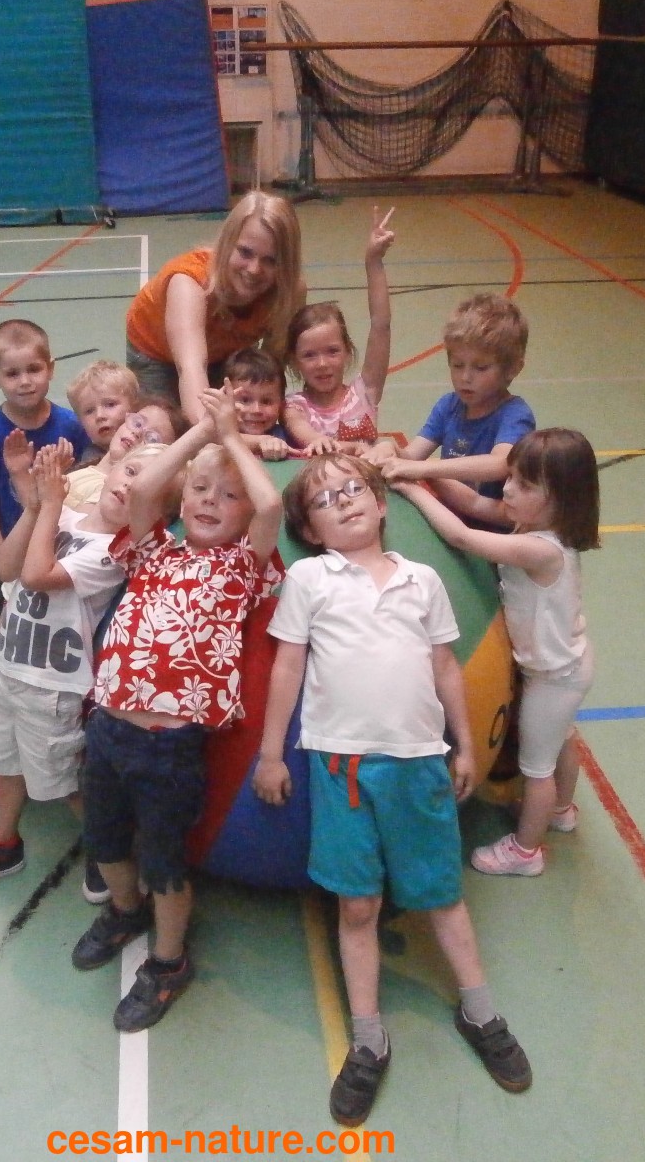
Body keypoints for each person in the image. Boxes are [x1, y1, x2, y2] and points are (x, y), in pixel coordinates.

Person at [254, 454, 532, 1126]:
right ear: (310, 530)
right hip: (341, 767)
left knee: (440, 893)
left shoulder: (422, 579)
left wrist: (466, 744)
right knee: (358, 904)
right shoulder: (310, 578)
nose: (345, 500)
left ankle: (481, 1011)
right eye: (325, 499)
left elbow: (445, 666)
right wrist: (270, 753)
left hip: (418, 763)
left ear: (381, 504)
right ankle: (369, 1039)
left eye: (354, 489)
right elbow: (287, 666)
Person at [70, 384, 284, 1033]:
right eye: (200, 491)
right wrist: (200, 435)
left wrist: (232, 439)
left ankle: (168, 961)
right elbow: (143, 490)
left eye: (227, 496)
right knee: (105, 839)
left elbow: (272, 503)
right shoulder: (154, 550)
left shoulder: (243, 568)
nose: (211, 502)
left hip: (168, 747)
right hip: (108, 729)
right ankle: (124, 910)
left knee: (164, 860)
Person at [0, 439, 171, 904]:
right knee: (6, 769)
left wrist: (49, 504)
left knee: (62, 784)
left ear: (158, 513)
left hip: (51, 686)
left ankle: (109, 852)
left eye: (149, 488)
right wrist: (32, 492)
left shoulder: (113, 552)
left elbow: (37, 575)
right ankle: (3, 846)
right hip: (5, 667)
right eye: (130, 472)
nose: (131, 487)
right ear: (110, 470)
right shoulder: (63, 517)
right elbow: (7, 567)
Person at [393, 427, 600, 877]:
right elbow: (471, 502)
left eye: (524, 485)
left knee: (536, 768)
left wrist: (413, 488)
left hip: (553, 678)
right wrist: (424, 475)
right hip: (567, 665)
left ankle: (526, 852)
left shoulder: (540, 548)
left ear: (560, 499)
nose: (507, 489)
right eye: (510, 477)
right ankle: (561, 811)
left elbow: (463, 537)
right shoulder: (534, 525)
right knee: (563, 738)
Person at [124, 190, 305, 428]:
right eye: (245, 252)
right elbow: (191, 369)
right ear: (227, 244)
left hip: (223, 351)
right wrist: (210, 433)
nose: (254, 270)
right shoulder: (189, 283)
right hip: (156, 351)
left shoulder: (289, 292)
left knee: (240, 418)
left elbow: (268, 368)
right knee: (166, 428)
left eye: (271, 260)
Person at [0, 319, 92, 616]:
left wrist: (67, 469)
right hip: (15, 552)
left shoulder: (71, 424)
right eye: (12, 374)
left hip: (61, 549)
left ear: (51, 368)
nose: (25, 381)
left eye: (34, 369)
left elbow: (89, 479)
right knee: (13, 625)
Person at [372, 293, 534, 529]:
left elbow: (501, 463)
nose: (465, 377)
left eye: (481, 368)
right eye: (457, 365)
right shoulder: (449, 405)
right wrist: (391, 449)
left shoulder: (515, 415)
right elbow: (411, 458)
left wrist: (426, 468)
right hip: (451, 518)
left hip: (493, 532)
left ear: (512, 369)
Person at [282, 207, 395, 454]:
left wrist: (373, 261)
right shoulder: (294, 408)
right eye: (309, 355)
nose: (322, 364)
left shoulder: (365, 393)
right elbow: (309, 437)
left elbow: (381, 324)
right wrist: (350, 447)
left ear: (347, 351)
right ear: (294, 361)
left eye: (332, 351)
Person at [64, 399, 185, 511]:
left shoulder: (113, 492)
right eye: (137, 423)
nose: (137, 433)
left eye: (152, 438)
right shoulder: (87, 467)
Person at [221, 347, 294, 461]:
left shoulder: (289, 435)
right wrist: (261, 441)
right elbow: (219, 439)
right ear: (225, 400)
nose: (256, 410)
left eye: (266, 401)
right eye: (245, 400)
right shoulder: (216, 436)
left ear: (281, 405)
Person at [65, 359, 142, 466]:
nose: (99, 416)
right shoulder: (89, 463)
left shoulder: (152, 447)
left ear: (134, 406)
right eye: (89, 411)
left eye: (110, 405)